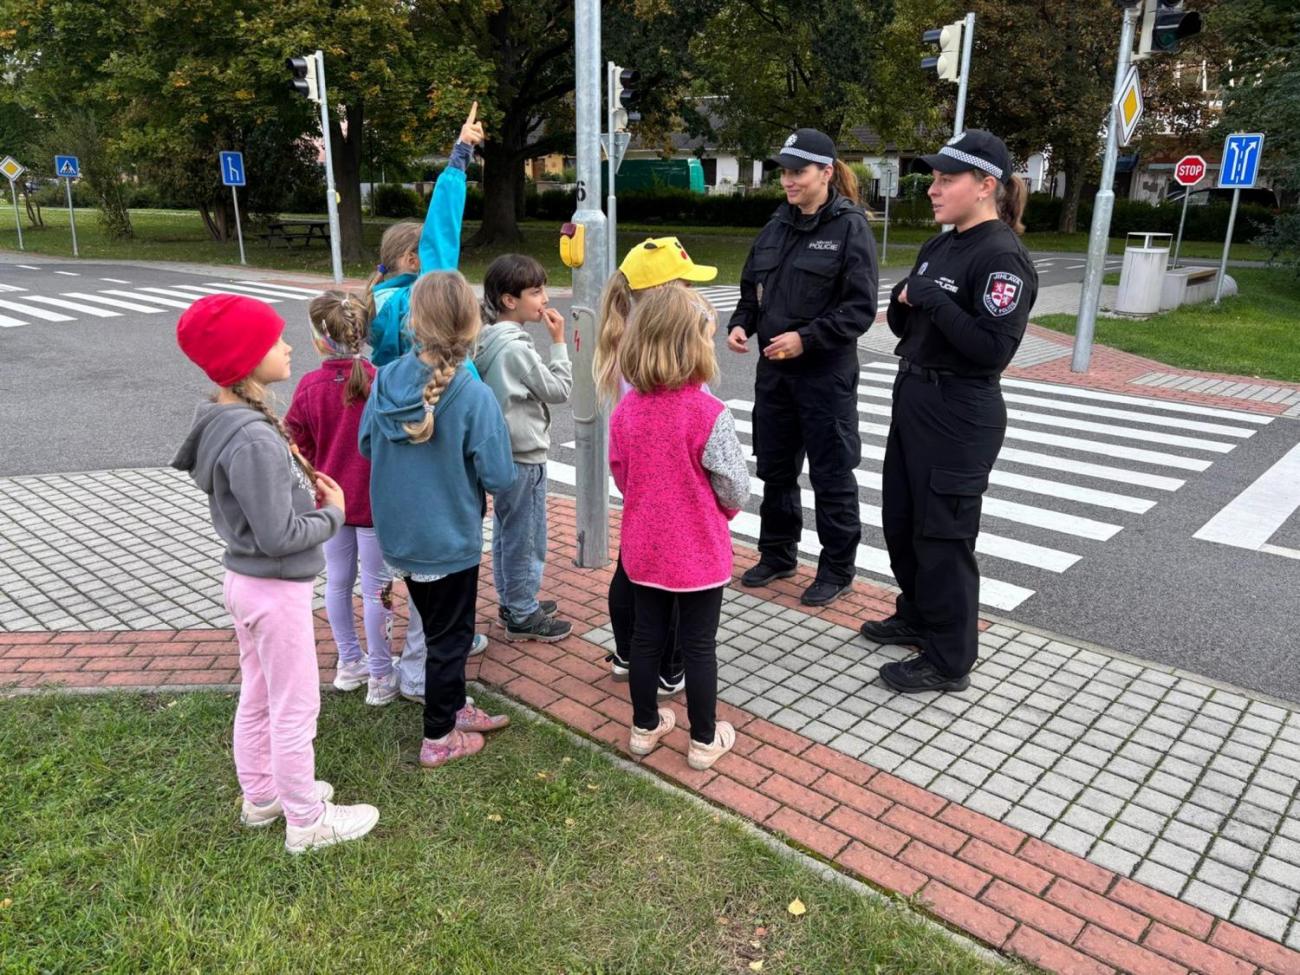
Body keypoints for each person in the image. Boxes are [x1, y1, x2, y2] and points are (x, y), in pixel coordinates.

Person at [172, 293, 379, 853]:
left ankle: (263, 794)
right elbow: (280, 536)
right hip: (273, 588)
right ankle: (306, 821)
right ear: (244, 358)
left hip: (246, 583)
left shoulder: (228, 420)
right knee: (295, 705)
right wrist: (331, 516)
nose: (288, 345)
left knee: (260, 693)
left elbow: (265, 515)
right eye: (273, 340)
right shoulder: (253, 437)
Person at [860, 129, 1038, 694]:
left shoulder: (1002, 256)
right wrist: (902, 301)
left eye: (945, 179)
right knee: (904, 520)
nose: (933, 189)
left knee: (943, 535)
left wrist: (931, 298)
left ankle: (949, 659)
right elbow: (911, 322)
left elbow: (992, 350)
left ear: (986, 186)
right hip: (916, 394)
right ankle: (917, 615)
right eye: (933, 178)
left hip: (961, 409)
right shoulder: (941, 244)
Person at [360, 271, 517, 768]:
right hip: (448, 538)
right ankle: (438, 735)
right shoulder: (472, 395)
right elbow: (500, 475)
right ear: (471, 323)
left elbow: (367, 445)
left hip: (399, 535)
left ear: (412, 320)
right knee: (450, 639)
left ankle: (451, 706)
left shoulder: (384, 379)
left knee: (434, 627)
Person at [359, 104, 489, 701]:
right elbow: (442, 231)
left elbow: (365, 438)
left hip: (388, 476)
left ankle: (379, 671)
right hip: (436, 472)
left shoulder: (376, 307)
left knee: (391, 577)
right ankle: (422, 680)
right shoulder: (421, 307)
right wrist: (458, 159)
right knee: (440, 601)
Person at [727, 128, 879, 608]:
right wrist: (741, 323)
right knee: (775, 468)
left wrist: (806, 339)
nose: (788, 181)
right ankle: (778, 553)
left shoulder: (849, 228)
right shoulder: (777, 225)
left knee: (832, 473)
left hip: (825, 376)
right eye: (785, 173)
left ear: (826, 173)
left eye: (798, 172)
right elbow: (752, 286)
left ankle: (837, 568)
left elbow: (859, 309)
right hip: (774, 375)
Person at [609, 286, 750, 771]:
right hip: (699, 550)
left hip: (644, 546)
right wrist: (721, 511)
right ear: (695, 346)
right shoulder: (709, 413)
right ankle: (704, 739)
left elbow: (622, 473)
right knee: (698, 644)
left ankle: (644, 727)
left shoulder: (627, 410)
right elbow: (734, 486)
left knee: (646, 637)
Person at [593, 237, 719, 697]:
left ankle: (631, 653)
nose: (693, 295)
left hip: (642, 477)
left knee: (632, 568)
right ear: (664, 295)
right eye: (685, 286)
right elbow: (698, 415)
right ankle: (670, 665)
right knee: (676, 581)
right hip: (677, 481)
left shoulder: (629, 338)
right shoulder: (667, 348)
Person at [285, 291, 396, 705]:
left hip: (331, 503)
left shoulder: (310, 386)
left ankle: (350, 662)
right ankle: (381, 676)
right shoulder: (380, 381)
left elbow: (294, 439)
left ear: (319, 338)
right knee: (377, 589)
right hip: (373, 505)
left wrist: (316, 472)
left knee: (337, 582)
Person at [474, 254, 574, 642]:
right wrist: (559, 343)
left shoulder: (486, 337)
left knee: (507, 530)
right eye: (536, 292)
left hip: (501, 451)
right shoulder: (516, 348)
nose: (545, 299)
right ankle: (522, 611)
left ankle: (513, 598)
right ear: (509, 300)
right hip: (524, 453)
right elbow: (559, 390)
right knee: (527, 536)